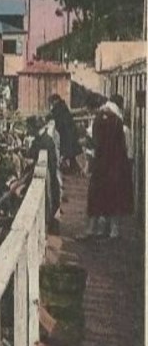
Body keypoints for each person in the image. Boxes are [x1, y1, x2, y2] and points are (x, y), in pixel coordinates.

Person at [80, 96, 133, 240]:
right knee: (114, 196)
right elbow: (125, 148)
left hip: (101, 163)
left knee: (96, 195)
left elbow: (93, 143)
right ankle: (113, 231)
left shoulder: (98, 119)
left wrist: (88, 163)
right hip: (116, 164)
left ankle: (93, 229)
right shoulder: (119, 121)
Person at [48, 94, 82, 174]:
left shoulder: (58, 108)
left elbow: (58, 121)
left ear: (55, 101)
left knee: (67, 152)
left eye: (52, 102)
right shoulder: (63, 107)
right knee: (71, 153)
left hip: (66, 133)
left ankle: (73, 169)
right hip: (69, 132)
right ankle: (75, 169)